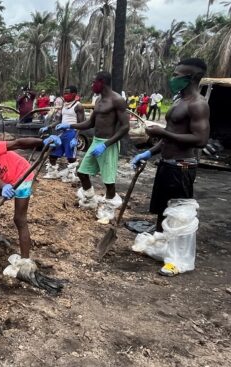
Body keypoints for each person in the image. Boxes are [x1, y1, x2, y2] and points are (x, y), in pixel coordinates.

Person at [131, 58, 211, 276]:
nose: (173, 78)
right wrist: (148, 152)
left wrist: (163, 132)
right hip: (166, 163)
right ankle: (163, 248)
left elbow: (200, 139)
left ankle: (178, 260)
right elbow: (169, 136)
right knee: (162, 209)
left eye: (178, 75)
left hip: (182, 166)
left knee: (179, 214)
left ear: (192, 77)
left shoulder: (198, 104)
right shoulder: (178, 101)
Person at [56, 71, 129, 221]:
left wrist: (106, 145)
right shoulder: (98, 101)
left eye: (93, 82)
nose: (91, 85)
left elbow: (125, 127)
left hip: (108, 144)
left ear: (102, 82)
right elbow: (90, 123)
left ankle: (109, 210)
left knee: (108, 180)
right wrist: (69, 125)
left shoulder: (117, 100)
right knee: (82, 172)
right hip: (96, 140)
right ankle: (90, 199)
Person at [40, 85, 85, 182]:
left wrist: (76, 138)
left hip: (72, 132)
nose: (65, 95)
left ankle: (71, 176)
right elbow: (59, 120)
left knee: (70, 157)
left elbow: (81, 124)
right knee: (53, 153)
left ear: (73, 94)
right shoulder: (64, 105)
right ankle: (53, 173)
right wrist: (48, 126)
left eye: (67, 93)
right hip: (62, 133)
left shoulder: (78, 106)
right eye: (64, 93)